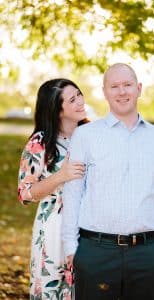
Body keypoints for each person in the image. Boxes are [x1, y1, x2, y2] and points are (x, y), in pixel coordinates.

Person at [62, 63, 154, 300]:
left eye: (127, 85)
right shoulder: (85, 136)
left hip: (147, 254)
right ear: (104, 91)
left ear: (138, 89)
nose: (121, 92)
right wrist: (71, 248)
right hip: (95, 252)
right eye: (114, 86)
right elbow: (73, 193)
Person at [18, 79, 87, 299]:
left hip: (89, 227)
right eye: (72, 99)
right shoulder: (41, 142)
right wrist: (61, 176)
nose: (80, 102)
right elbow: (25, 194)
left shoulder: (91, 135)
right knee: (51, 290)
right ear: (57, 110)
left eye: (79, 94)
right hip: (53, 231)